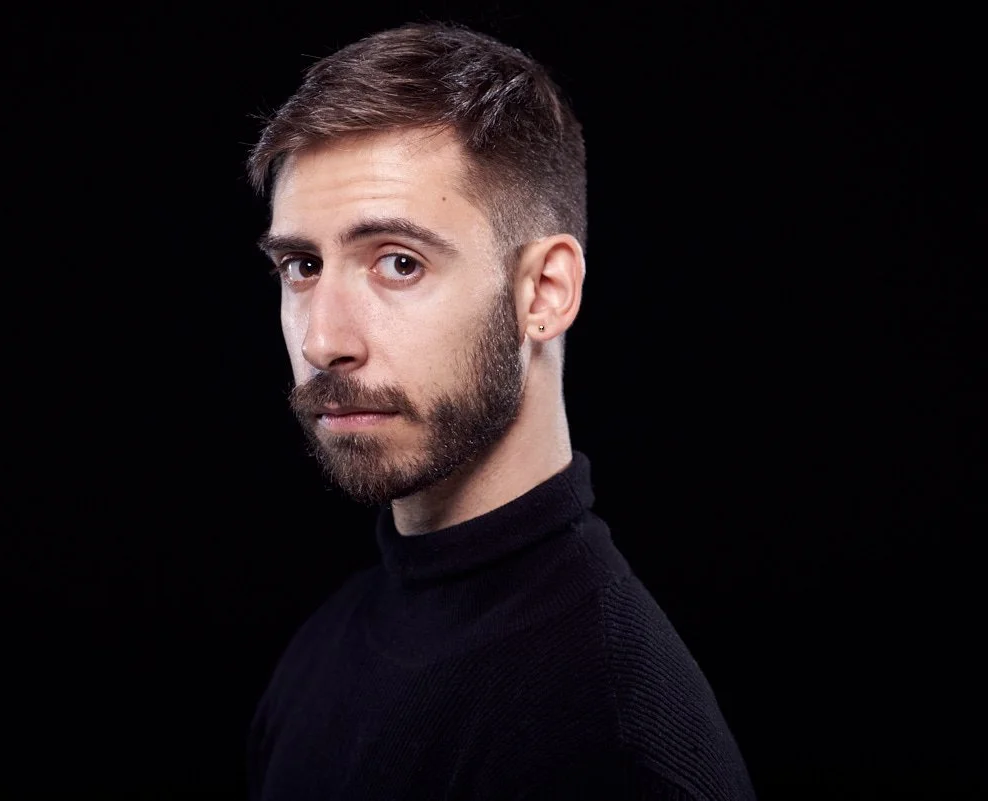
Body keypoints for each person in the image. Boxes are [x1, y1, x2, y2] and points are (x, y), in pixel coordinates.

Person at [243, 20, 757, 801]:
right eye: (303, 265)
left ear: (545, 292)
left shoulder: (615, 746)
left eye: (399, 262)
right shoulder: (320, 653)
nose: (322, 340)